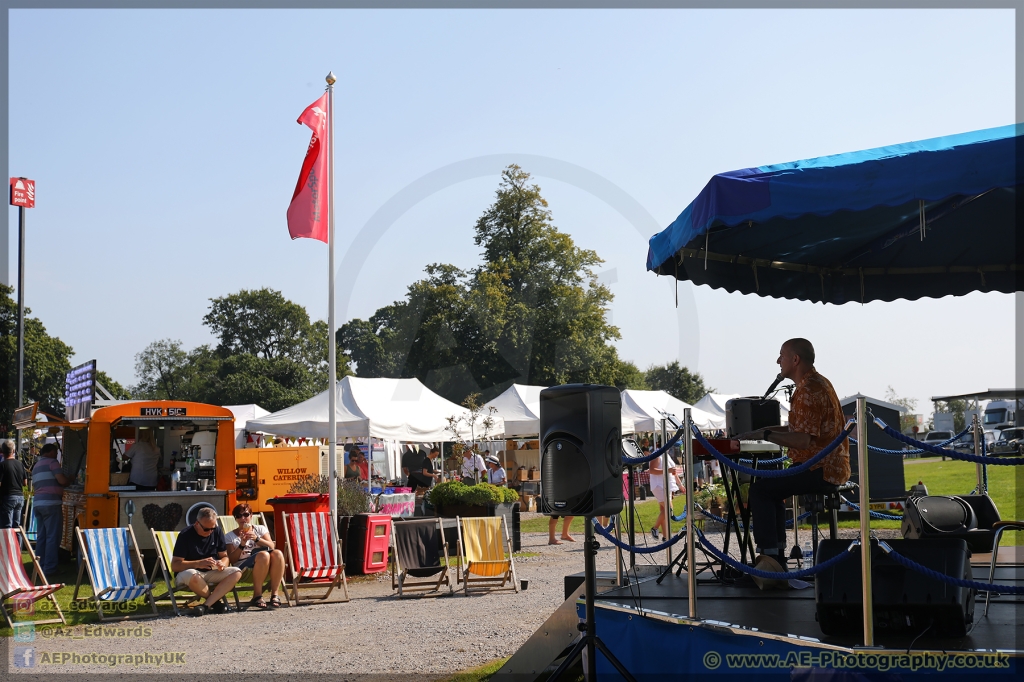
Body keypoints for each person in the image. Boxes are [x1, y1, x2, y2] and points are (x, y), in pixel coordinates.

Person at [736, 338, 850, 571]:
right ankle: (776, 559)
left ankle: (770, 564)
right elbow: (799, 430)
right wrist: (757, 432)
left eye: (782, 355)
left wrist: (766, 435)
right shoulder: (817, 383)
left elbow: (803, 439)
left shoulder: (808, 389)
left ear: (795, 359)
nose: (778, 361)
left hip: (820, 469)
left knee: (760, 490)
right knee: (771, 489)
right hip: (828, 466)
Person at [171, 507, 242, 616]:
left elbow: (225, 556)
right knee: (193, 574)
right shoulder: (185, 535)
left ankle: (206, 605)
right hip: (187, 574)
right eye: (206, 529)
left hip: (210, 572)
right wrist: (198, 563)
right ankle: (215, 603)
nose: (210, 532)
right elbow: (175, 566)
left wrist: (222, 564)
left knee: (236, 572)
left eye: (212, 528)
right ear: (197, 524)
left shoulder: (217, 531)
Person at [224, 503, 285, 609]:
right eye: (239, 516)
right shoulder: (230, 537)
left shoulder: (260, 529)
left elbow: (272, 545)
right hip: (243, 568)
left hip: (265, 565)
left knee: (278, 553)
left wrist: (257, 539)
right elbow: (232, 560)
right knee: (263, 555)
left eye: (246, 515)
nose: (243, 518)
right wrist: (242, 544)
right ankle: (257, 595)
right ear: (236, 519)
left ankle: (275, 594)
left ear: (251, 516)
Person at [32, 443, 69, 577]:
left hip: (38, 503)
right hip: (51, 503)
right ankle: (50, 568)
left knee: (42, 536)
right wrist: (69, 480)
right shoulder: (52, 463)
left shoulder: (36, 466)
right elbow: (62, 480)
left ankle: (39, 566)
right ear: (52, 452)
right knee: (53, 536)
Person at [649, 448, 684, 540]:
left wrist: (680, 485)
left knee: (664, 511)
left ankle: (666, 536)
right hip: (659, 485)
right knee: (669, 510)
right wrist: (667, 470)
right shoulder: (657, 454)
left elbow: (673, 472)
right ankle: (655, 528)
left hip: (667, 485)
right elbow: (652, 470)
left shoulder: (666, 454)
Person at [0, 440, 26, 529]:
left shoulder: (2, 465)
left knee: (7, 526)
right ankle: (18, 543)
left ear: (2, 452)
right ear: (13, 451)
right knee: (17, 526)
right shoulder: (20, 464)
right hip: (20, 497)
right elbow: (25, 483)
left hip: (8, 497)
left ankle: (7, 543)